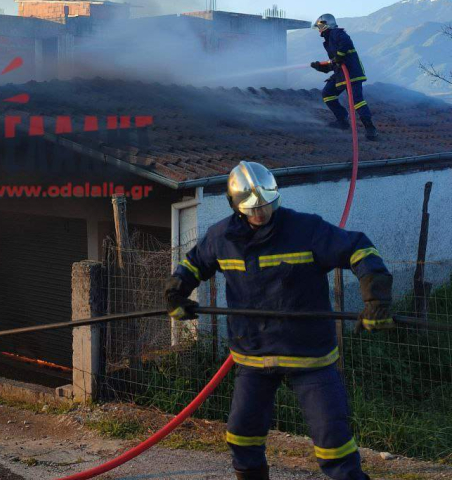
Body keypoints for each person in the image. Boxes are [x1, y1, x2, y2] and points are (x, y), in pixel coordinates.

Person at [165, 161, 394, 480]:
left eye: (267, 205)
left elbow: (359, 249)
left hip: (308, 356)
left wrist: (376, 298)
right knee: (241, 436)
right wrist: (177, 293)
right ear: (235, 206)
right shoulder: (222, 237)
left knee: (334, 446)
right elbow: (193, 265)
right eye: (252, 208)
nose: (260, 213)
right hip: (253, 356)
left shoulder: (306, 230)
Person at [309, 13, 379, 141]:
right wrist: (320, 67)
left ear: (325, 25)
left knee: (357, 101)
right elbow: (334, 63)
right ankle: (342, 121)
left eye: (319, 26)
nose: (318, 30)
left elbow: (345, 44)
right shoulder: (328, 41)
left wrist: (339, 56)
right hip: (340, 74)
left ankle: (370, 128)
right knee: (328, 94)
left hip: (352, 73)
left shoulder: (336, 33)